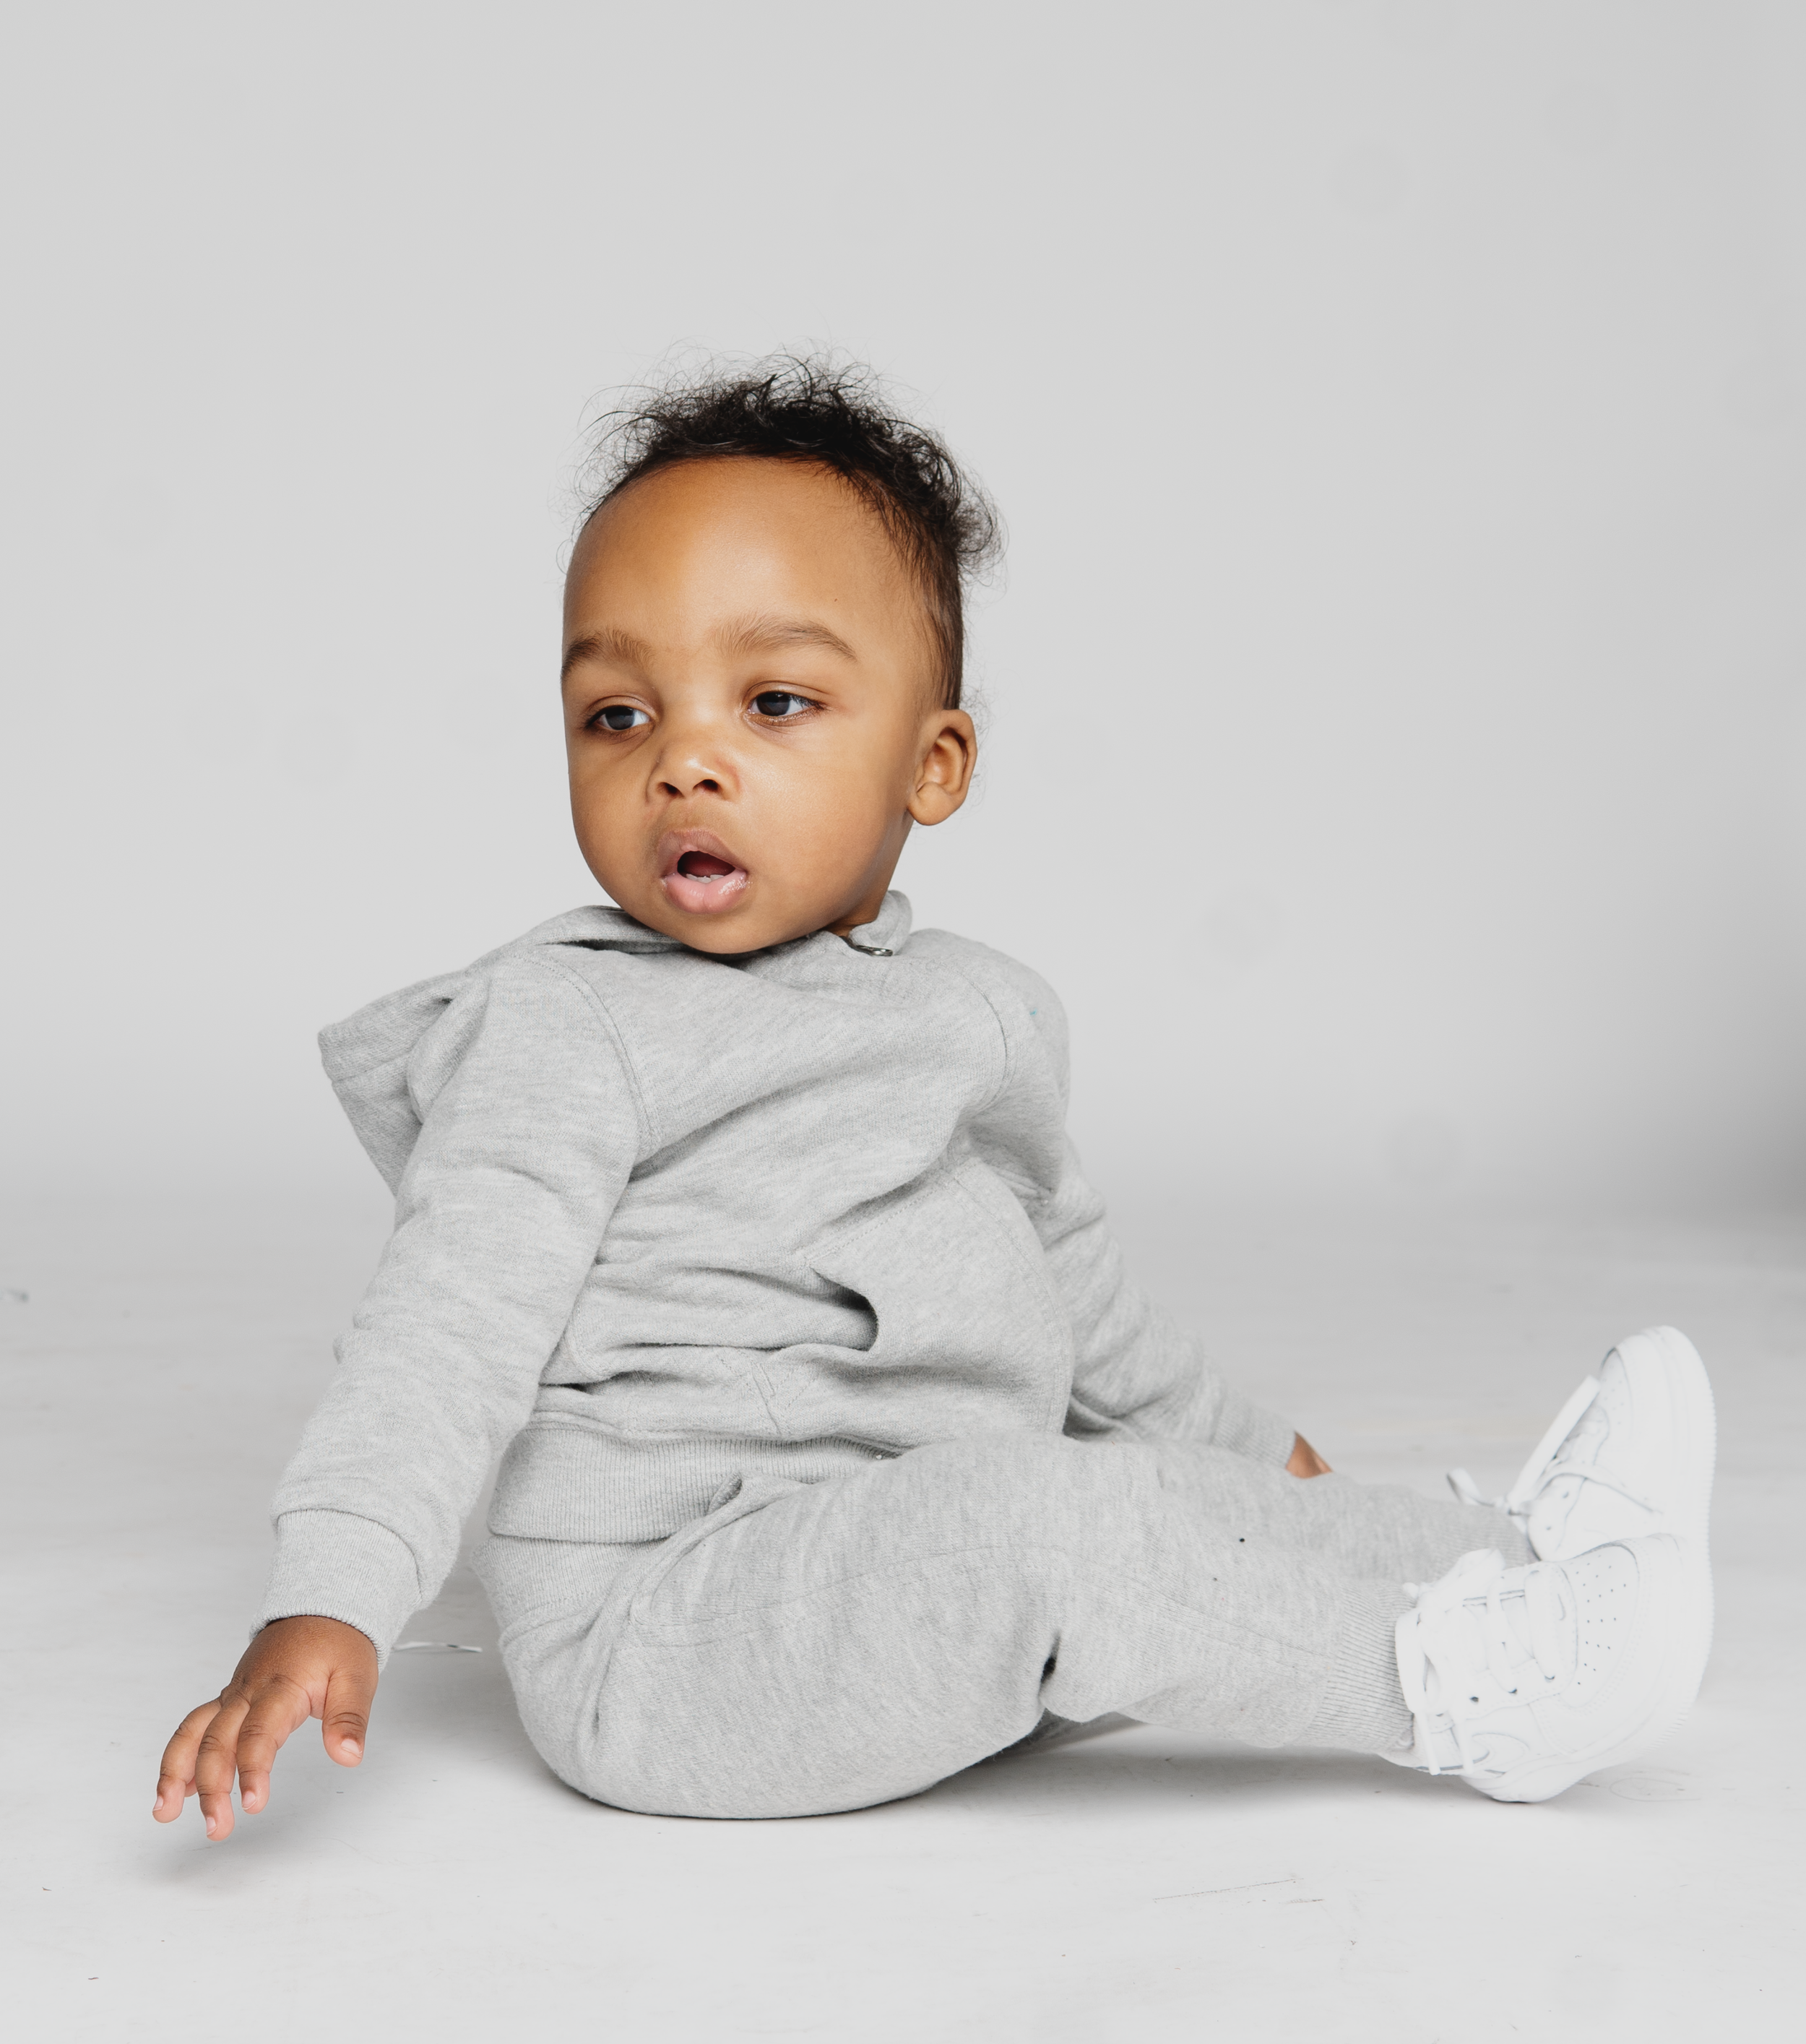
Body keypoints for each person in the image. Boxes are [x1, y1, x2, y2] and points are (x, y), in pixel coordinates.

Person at [153, 360, 1716, 1837]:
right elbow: (448, 1322)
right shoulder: (566, 1024)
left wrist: (1254, 1451)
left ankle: (1518, 1559)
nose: (682, 763)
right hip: (673, 1630)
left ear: (933, 763)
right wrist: (333, 1591)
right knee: (1047, 1525)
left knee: (1124, 1493)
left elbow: (1079, 1300)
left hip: (924, 1572)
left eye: (771, 705)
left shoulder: (974, 1010)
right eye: (618, 714)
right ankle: (1470, 1693)